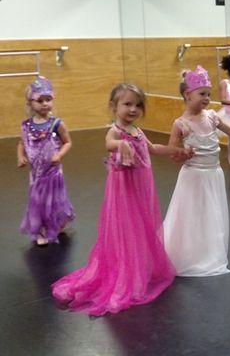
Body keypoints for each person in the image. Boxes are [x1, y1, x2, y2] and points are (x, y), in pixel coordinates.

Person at [52, 83, 187, 316]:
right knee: (127, 229)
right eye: (127, 104)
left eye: (137, 105)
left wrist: (176, 150)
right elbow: (109, 143)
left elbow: (154, 149)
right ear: (114, 107)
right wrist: (121, 144)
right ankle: (126, 275)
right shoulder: (116, 131)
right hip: (125, 192)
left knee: (141, 228)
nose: (133, 109)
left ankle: (138, 268)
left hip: (142, 188)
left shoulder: (138, 131)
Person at [163, 66, 230, 276]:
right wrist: (181, 153)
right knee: (191, 213)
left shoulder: (212, 116)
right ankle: (188, 251)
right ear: (187, 95)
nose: (207, 98)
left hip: (213, 174)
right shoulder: (181, 124)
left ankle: (208, 249)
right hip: (194, 176)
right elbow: (172, 152)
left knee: (210, 213)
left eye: (209, 94)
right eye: (202, 94)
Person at [17, 77, 75, 245]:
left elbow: (68, 142)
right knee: (38, 201)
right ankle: (40, 229)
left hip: (53, 172)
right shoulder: (27, 126)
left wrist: (59, 155)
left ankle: (57, 221)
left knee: (56, 198)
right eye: (40, 100)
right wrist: (20, 156)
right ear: (29, 103)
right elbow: (21, 143)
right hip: (36, 174)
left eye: (48, 99)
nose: (44, 104)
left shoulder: (56, 124)